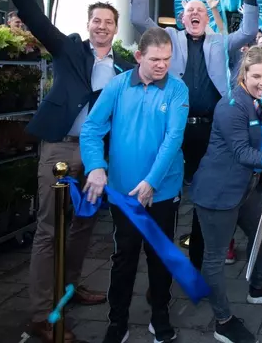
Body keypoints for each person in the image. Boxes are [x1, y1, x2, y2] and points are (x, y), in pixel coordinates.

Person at [0, 0, 131, 343]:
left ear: (116, 29)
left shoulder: (121, 68)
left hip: (96, 157)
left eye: (108, 22)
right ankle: (40, 315)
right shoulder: (68, 49)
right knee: (50, 229)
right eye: (97, 20)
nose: (102, 26)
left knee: (84, 225)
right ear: (89, 25)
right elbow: (31, 14)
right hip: (60, 150)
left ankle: (68, 288)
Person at [131, 0, 259, 271]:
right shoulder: (169, 38)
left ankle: (201, 260)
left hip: (210, 128)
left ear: (205, 18)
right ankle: (162, 257)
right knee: (168, 191)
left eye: (200, 9)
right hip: (174, 127)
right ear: (182, 18)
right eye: (190, 10)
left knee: (205, 191)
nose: (196, 13)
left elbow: (247, 32)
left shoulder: (219, 42)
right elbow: (137, 20)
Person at [80, 27, 189, 343]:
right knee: (124, 257)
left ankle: (160, 317)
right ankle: (117, 322)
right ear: (139, 56)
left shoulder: (177, 90)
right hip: (123, 192)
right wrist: (96, 167)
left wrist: (151, 182)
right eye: (155, 59)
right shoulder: (116, 86)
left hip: (163, 192)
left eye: (167, 59)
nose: (162, 65)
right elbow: (91, 130)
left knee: (160, 257)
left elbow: (173, 139)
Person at [191, 46, 262, 343]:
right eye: (257, 76)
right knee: (214, 258)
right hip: (217, 192)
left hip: (248, 189)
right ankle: (222, 321)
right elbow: (240, 150)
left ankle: (258, 287)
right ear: (243, 75)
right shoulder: (231, 105)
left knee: (261, 236)